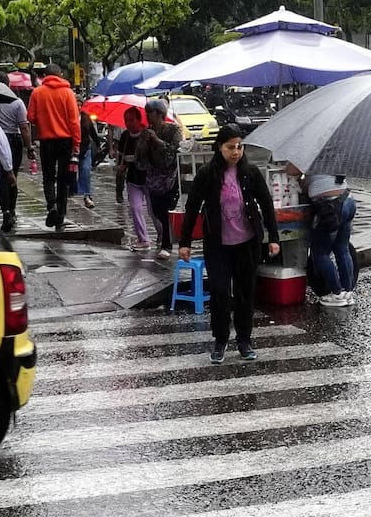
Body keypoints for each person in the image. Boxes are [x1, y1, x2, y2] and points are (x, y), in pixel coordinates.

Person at [178, 126, 280, 364]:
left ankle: (244, 339)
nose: (236, 152)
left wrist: (273, 238)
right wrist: (184, 243)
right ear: (219, 148)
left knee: (245, 293)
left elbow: (266, 205)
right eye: (230, 147)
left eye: (239, 147)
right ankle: (221, 338)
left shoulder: (250, 173)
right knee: (220, 292)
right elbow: (192, 208)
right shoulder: (207, 174)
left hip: (247, 243)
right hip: (218, 244)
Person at [285, 164, 356, 306]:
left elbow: (291, 170)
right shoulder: (334, 150)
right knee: (342, 249)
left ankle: (336, 293)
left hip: (329, 207)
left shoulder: (311, 150)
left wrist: (293, 170)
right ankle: (348, 292)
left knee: (320, 253)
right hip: (348, 200)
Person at [27, 64, 81, 232]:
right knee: (63, 180)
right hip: (65, 141)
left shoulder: (37, 92)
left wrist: (43, 122)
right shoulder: (68, 93)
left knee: (48, 177)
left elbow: (30, 116)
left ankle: (51, 207)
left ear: (45, 75)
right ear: (60, 74)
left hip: (46, 141)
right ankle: (60, 217)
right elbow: (74, 121)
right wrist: (77, 144)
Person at [139, 98, 183, 258]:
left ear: (159, 114)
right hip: (153, 178)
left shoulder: (173, 131)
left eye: (150, 113)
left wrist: (157, 141)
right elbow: (140, 158)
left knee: (166, 211)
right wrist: (144, 142)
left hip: (170, 177)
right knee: (156, 210)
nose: (148, 117)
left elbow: (174, 151)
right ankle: (165, 239)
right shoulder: (147, 132)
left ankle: (167, 244)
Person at [0, 73, 35, 234]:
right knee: (12, 175)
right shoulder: (16, 103)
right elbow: (24, 127)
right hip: (13, 140)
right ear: (8, 84)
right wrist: (29, 147)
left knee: (1, 177)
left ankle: (5, 211)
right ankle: (12, 209)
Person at [117, 107, 151, 251]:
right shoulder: (125, 137)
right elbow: (121, 156)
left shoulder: (148, 135)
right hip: (133, 179)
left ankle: (163, 236)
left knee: (153, 210)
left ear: (139, 119)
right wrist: (122, 165)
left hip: (149, 178)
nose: (129, 123)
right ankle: (143, 239)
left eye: (131, 120)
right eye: (126, 120)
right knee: (135, 208)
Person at [77, 110, 98, 209]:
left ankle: (87, 195)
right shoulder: (69, 116)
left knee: (86, 171)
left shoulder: (86, 117)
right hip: (73, 148)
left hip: (86, 148)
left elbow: (92, 132)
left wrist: (98, 144)